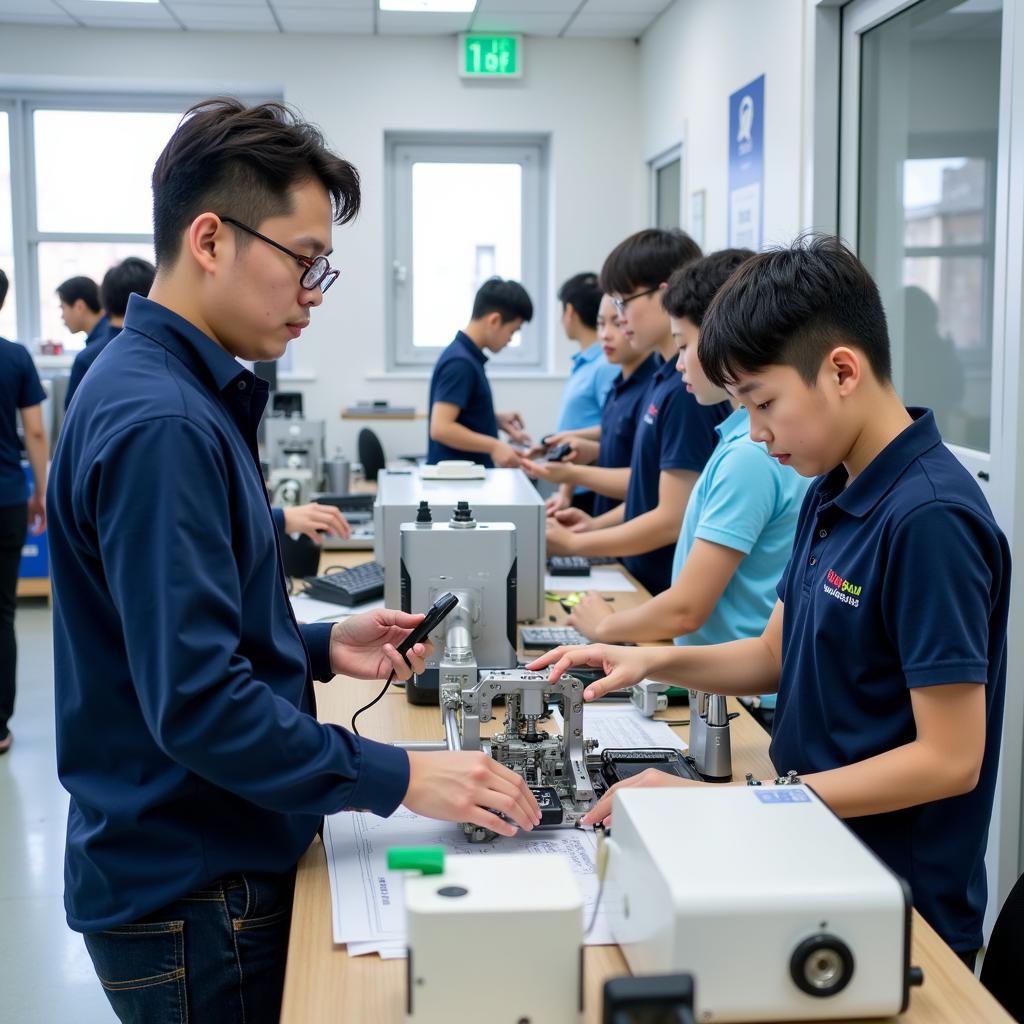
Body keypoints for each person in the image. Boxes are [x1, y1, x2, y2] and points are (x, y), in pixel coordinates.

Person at [48, 98, 540, 1024]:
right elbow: (197, 703)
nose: (315, 290)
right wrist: (406, 777)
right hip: (193, 889)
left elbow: (175, 630)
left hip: (194, 858)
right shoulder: (162, 422)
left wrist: (317, 645)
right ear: (209, 238)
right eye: (303, 259)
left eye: (326, 266)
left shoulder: (172, 389)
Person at [531, 235, 1009, 966]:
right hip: (805, 845)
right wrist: (640, 659)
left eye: (763, 402)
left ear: (842, 370)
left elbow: (949, 760)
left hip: (894, 906)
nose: (756, 432)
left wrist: (742, 801)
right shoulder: (832, 488)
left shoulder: (931, 519)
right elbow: (772, 653)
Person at [567, 251, 808, 728]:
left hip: (742, 701)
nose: (679, 364)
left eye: (685, 345)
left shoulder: (750, 456)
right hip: (721, 683)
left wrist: (604, 629)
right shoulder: (737, 440)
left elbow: (688, 609)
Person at [542, 229, 731, 595]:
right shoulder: (664, 377)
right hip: (638, 574)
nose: (618, 318)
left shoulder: (687, 389)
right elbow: (647, 489)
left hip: (662, 584)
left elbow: (670, 518)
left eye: (623, 302)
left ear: (664, 294)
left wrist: (577, 543)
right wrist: (590, 528)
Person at [526, 293, 658, 516]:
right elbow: (612, 434)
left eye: (617, 323)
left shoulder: (641, 382)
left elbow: (649, 482)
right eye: (600, 323)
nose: (605, 335)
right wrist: (573, 444)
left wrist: (572, 474)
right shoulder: (618, 381)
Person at [0, 268, 47, 755]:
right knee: (2, 613)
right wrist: (41, 490)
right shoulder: (15, 358)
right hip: (8, 498)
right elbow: (34, 432)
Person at [427, 276, 534, 467]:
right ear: (494, 320)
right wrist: (494, 446)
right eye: (512, 331)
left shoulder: (466, 357)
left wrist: (494, 420)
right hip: (457, 487)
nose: (510, 340)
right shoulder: (460, 363)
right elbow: (441, 428)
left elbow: (459, 416)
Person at [64, 257, 156, 407]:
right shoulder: (162, 353)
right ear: (151, 296)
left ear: (105, 300)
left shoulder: (88, 359)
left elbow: (72, 421)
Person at [60, 275, 117, 410]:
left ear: (79, 306)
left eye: (63, 307)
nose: (62, 316)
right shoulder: (116, 334)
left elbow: (72, 413)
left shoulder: (88, 357)